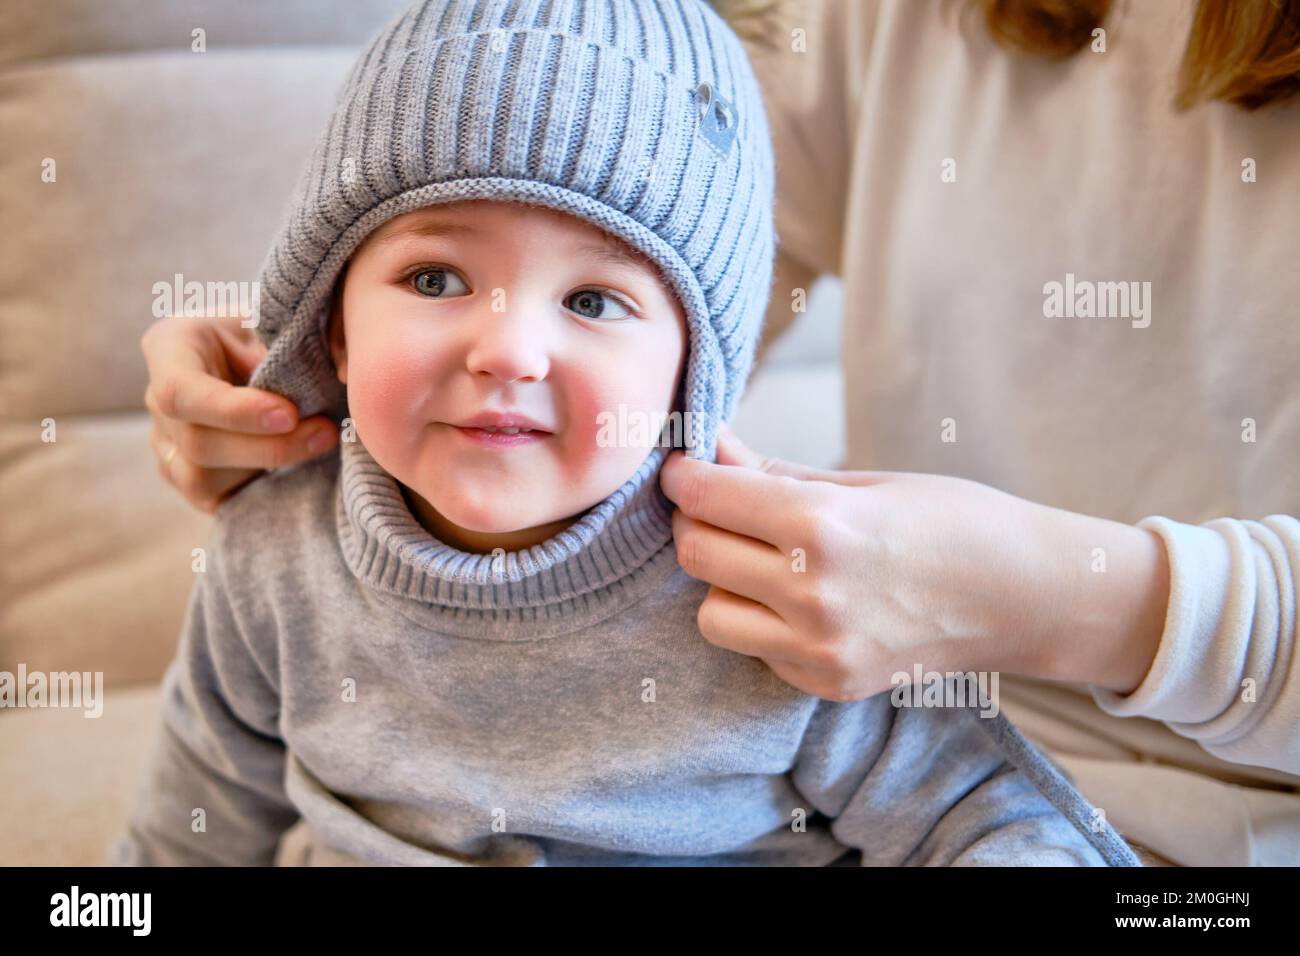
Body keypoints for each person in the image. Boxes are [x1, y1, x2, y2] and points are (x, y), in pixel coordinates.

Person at [141, 0, 1299, 861]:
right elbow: (196, 806)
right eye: (435, 275)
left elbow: (976, 809)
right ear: (328, 329)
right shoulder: (268, 562)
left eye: (592, 302)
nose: (506, 349)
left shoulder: (773, 602)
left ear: (698, 378)